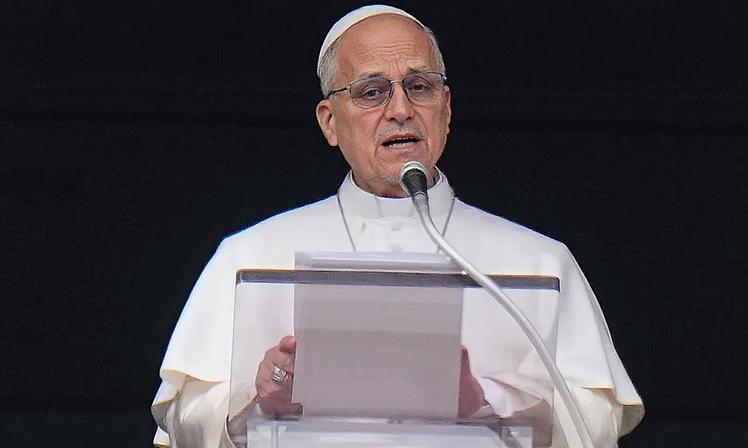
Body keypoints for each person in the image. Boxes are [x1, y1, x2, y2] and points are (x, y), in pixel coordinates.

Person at [151, 5, 644, 448]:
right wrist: (260, 405)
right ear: (329, 121)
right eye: (371, 92)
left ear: (446, 110)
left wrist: (477, 403)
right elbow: (184, 419)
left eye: (420, 86)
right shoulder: (249, 255)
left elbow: (595, 427)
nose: (401, 109)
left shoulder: (539, 261)